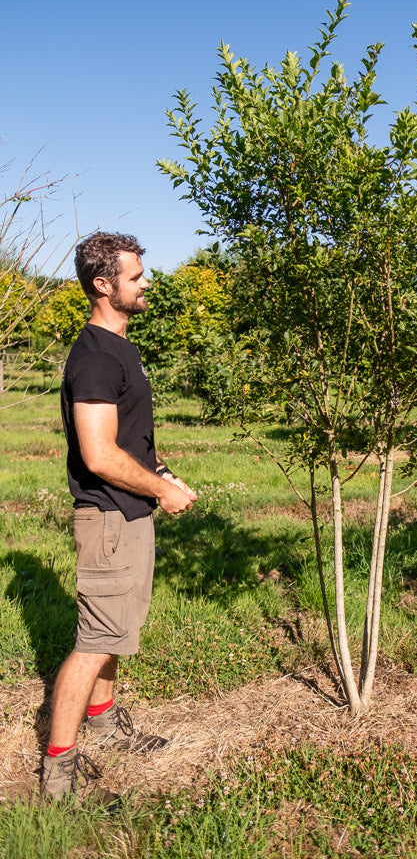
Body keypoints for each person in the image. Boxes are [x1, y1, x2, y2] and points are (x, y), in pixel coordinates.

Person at [41, 232, 197, 804]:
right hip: (108, 519)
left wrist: (159, 471)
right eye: (135, 277)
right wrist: (163, 492)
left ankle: (104, 725)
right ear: (103, 285)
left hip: (128, 514)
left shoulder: (120, 348)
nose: (146, 283)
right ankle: (58, 774)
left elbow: (124, 440)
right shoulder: (96, 359)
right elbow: (98, 454)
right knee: (94, 641)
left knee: (115, 634)